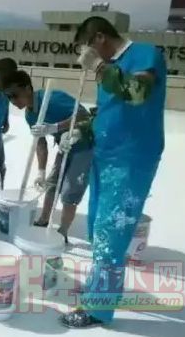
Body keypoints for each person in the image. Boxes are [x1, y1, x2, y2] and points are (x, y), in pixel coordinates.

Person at [60, 17, 166, 328]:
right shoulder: (110, 70)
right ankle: (97, 288)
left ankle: (98, 309)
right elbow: (108, 113)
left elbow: (137, 93)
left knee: (111, 234)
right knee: (98, 230)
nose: (86, 57)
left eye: (86, 49)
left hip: (130, 160)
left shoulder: (144, 55)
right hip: (104, 157)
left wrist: (98, 67)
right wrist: (81, 131)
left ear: (99, 38)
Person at [2, 70, 94, 243]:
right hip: (65, 145)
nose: (13, 101)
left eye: (15, 95)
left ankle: (63, 232)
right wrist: (41, 171)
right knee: (51, 184)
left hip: (84, 145)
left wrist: (56, 127)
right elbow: (40, 143)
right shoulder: (30, 114)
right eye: (8, 97)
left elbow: (84, 116)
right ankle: (44, 220)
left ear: (27, 88)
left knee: (70, 190)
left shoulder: (52, 99)